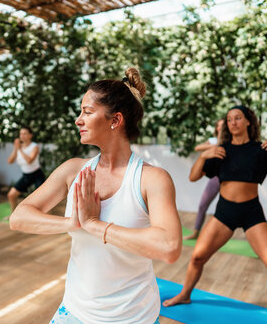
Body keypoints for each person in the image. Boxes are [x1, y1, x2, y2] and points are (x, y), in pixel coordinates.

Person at [10, 68, 182, 324]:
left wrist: (95, 225)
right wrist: (72, 223)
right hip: (75, 311)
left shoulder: (151, 179)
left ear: (115, 120)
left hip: (134, 317)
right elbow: (18, 217)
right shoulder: (73, 169)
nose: (78, 120)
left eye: (87, 112)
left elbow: (169, 247)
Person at [162, 105, 267, 324]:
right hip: (224, 213)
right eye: (229, 119)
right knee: (197, 257)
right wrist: (204, 156)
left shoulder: (262, 150)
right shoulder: (221, 150)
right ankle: (184, 295)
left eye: (238, 118)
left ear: (248, 121)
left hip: (252, 214)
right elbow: (193, 177)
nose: (233, 123)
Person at [184, 118, 224, 240]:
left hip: (230, 179)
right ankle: (196, 233)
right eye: (219, 126)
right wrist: (213, 144)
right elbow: (197, 147)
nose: (221, 127)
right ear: (216, 128)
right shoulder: (212, 141)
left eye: (223, 125)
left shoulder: (231, 141)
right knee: (203, 205)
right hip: (216, 178)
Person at [7, 126, 45, 211]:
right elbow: (10, 161)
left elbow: (29, 161)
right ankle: (13, 215)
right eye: (21, 134)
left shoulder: (34, 146)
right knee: (11, 195)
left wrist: (20, 149)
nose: (22, 136)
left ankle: (48, 217)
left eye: (24, 133)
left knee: (43, 199)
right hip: (26, 176)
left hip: (37, 175)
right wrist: (15, 148)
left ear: (30, 135)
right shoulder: (18, 147)